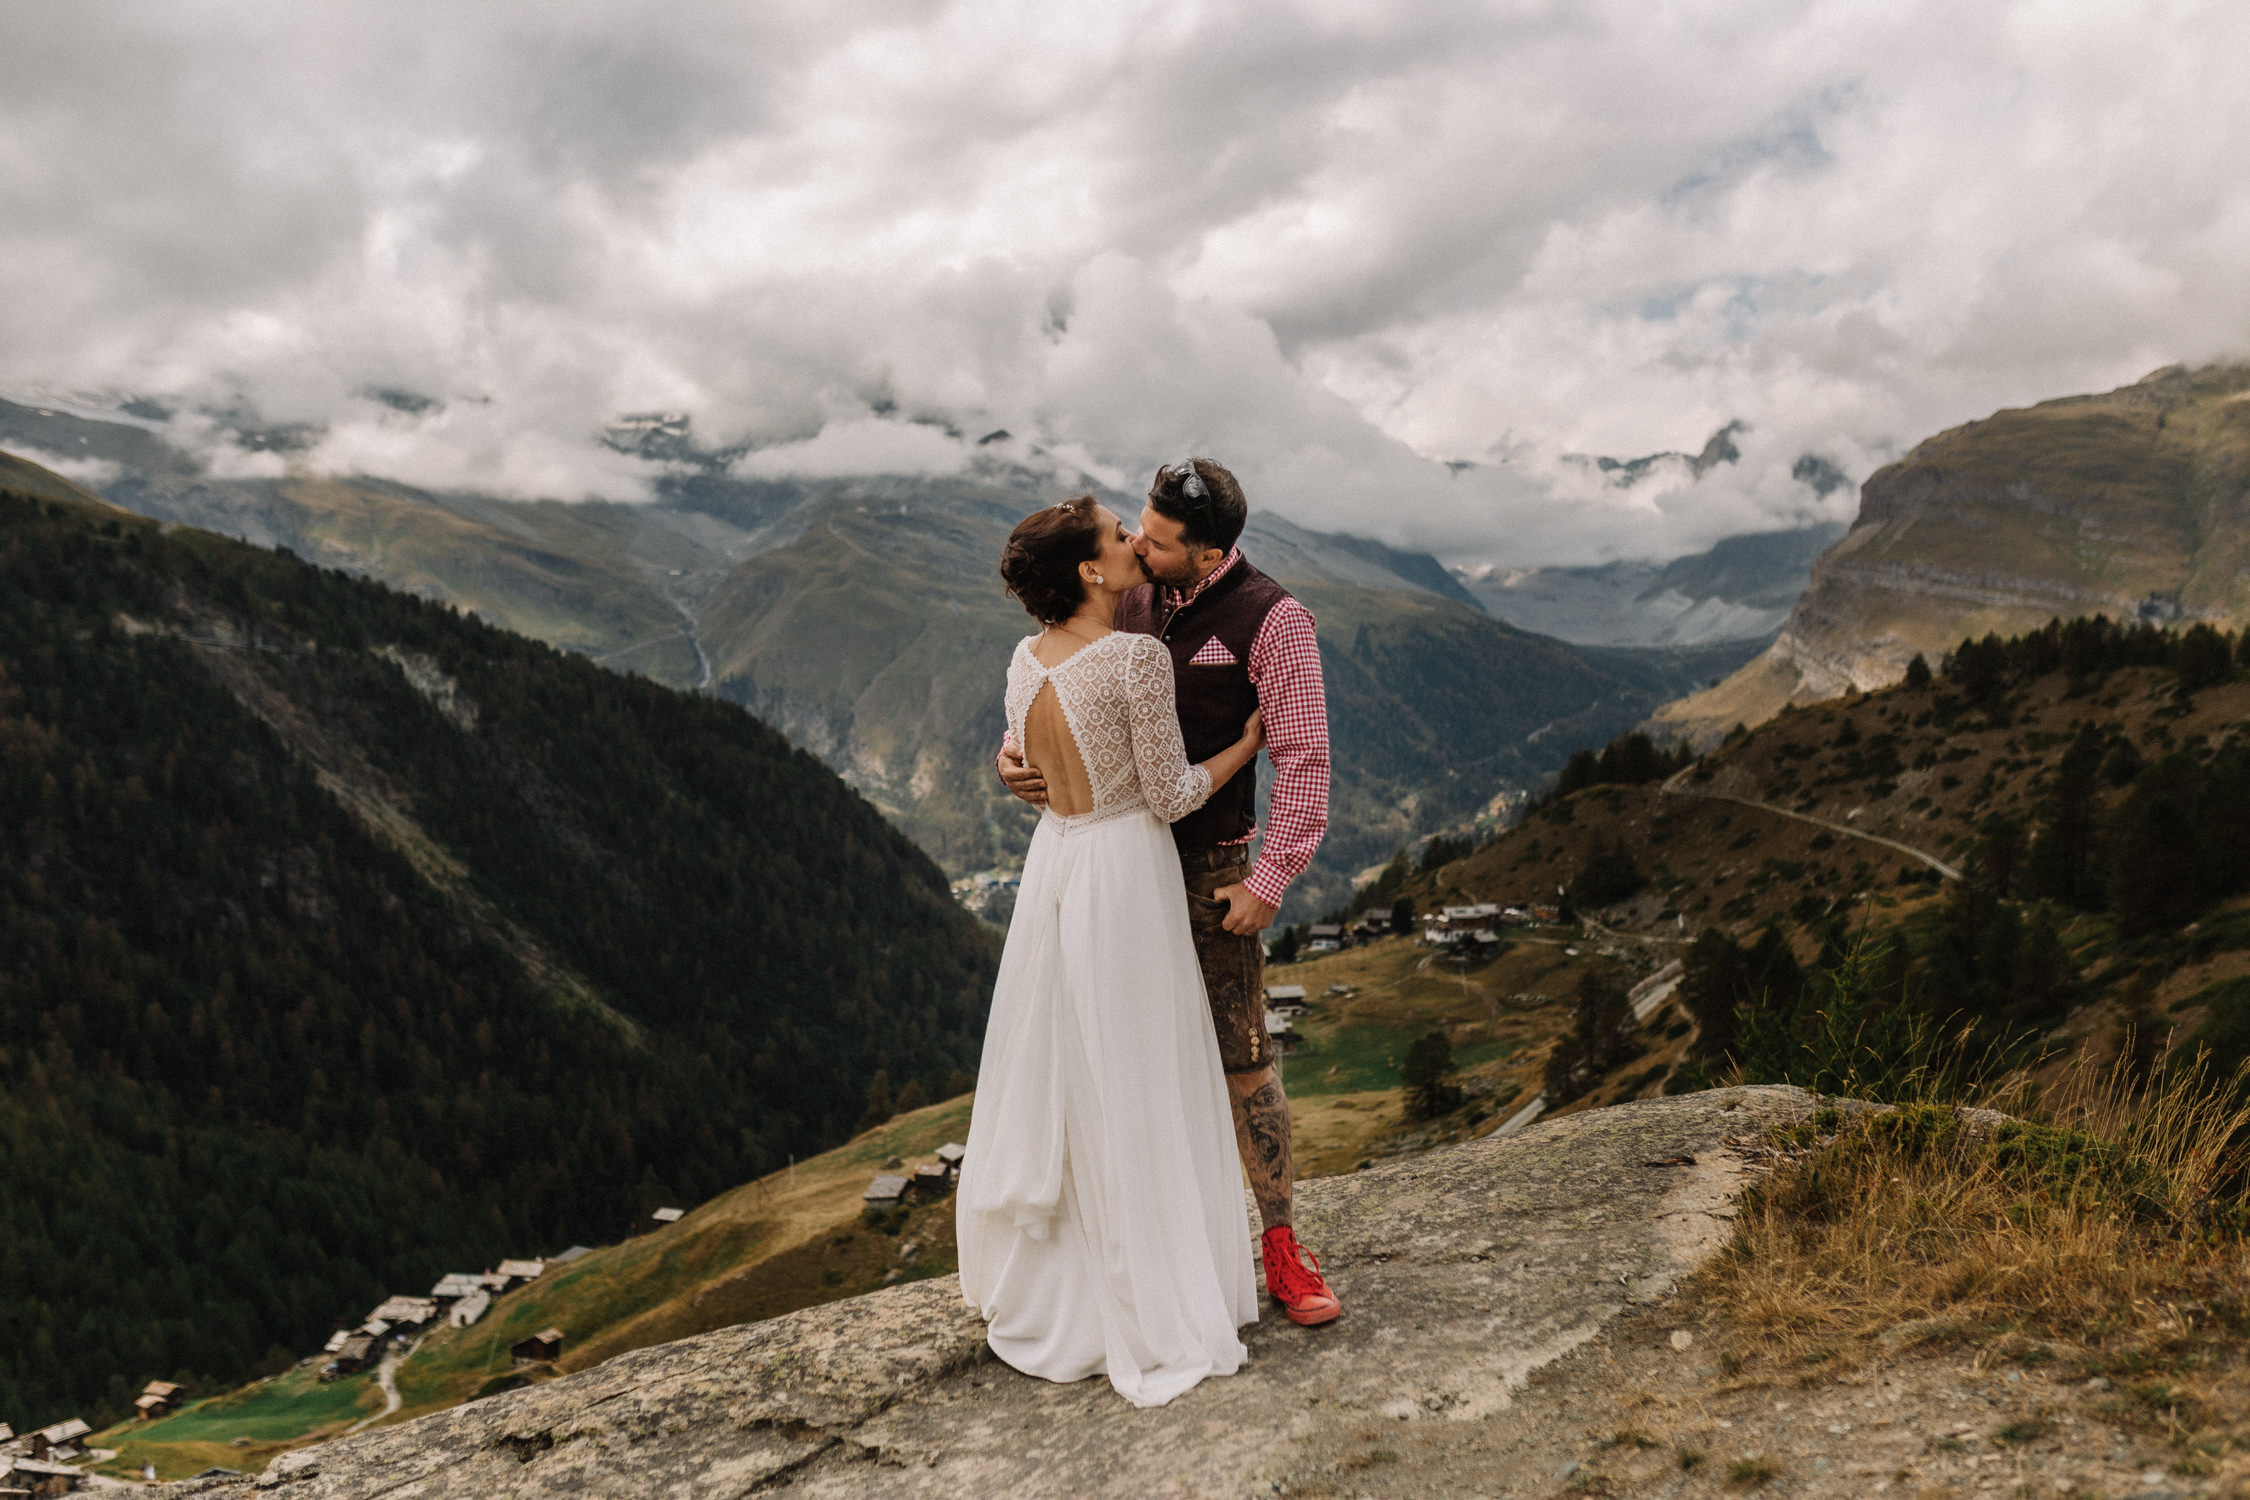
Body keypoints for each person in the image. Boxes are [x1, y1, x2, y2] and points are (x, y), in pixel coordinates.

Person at [997, 457, 1342, 1328]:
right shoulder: (1125, 596)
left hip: (1210, 871)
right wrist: (1013, 760)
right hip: (1118, 873)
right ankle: (1144, 1250)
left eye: (1157, 542)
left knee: (1241, 1057)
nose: (1140, 549)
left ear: (1210, 549)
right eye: (1136, 533)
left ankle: (1280, 1246)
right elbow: (1059, 695)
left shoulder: (1274, 621)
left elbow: (1304, 765)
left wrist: (1268, 883)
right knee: (1118, 1061)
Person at [957, 494, 1268, 1407]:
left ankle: (1065, 1287)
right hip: (1126, 869)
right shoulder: (1135, 656)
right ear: (1092, 572)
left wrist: (1016, 771)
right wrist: (1246, 743)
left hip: (1058, 858)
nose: (1132, 541)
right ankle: (1153, 1287)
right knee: (1138, 1074)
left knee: (1070, 1070)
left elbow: (1028, 759)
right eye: (1113, 538)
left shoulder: (1026, 658)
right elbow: (1171, 794)